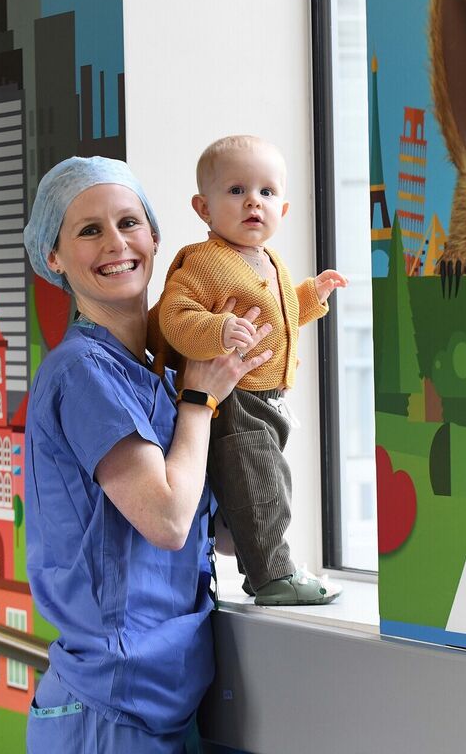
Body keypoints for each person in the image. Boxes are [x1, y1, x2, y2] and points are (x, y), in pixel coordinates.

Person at [22, 156, 272, 753]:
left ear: (156, 238)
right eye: (88, 230)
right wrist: (199, 398)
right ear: (54, 258)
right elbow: (165, 520)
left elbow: (209, 534)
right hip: (107, 712)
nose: (116, 243)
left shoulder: (155, 376)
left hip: (168, 703)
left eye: (130, 223)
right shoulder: (81, 372)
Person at [150, 135, 348, 606]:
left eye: (267, 192)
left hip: (267, 397)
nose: (253, 202)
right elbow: (173, 317)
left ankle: (247, 544)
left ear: (284, 208)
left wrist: (310, 298)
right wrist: (217, 330)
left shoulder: (270, 261)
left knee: (270, 479)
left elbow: (274, 318)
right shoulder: (204, 263)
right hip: (233, 400)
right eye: (237, 190)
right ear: (204, 207)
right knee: (260, 483)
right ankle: (272, 576)